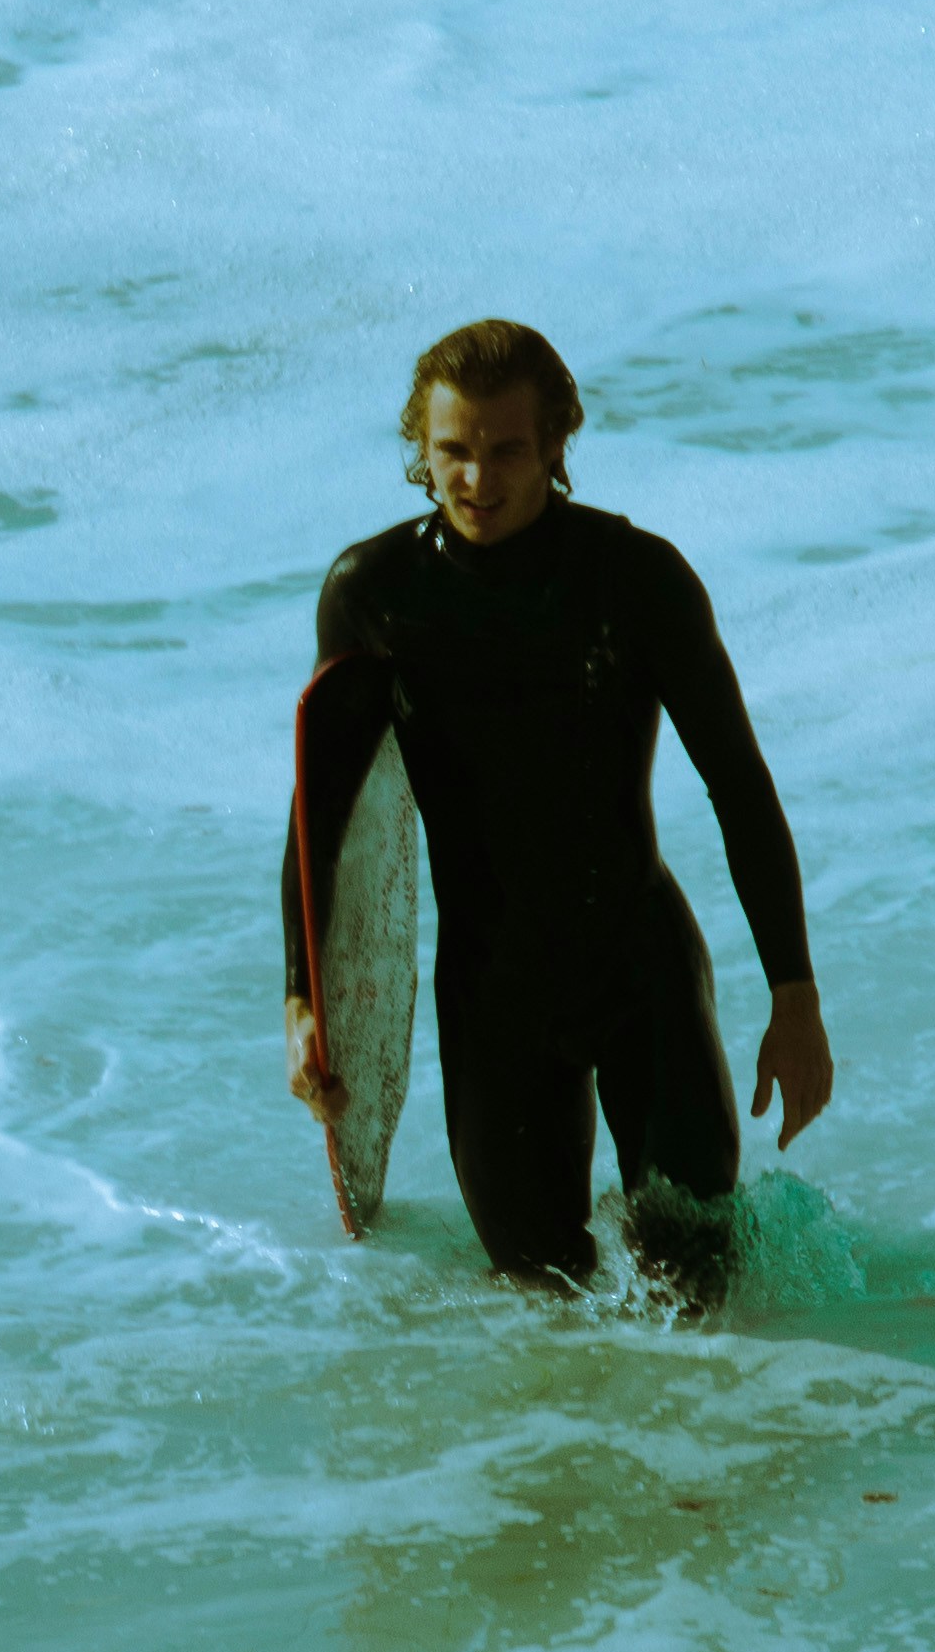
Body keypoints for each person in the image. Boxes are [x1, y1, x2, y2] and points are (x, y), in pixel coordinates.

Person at [279, 316, 830, 1303]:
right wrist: (304, 1003)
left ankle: (731, 1447)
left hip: (639, 972)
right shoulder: (376, 594)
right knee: (539, 1298)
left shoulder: (637, 580)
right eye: (453, 451)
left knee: (695, 1278)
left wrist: (795, 999)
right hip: (493, 1000)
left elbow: (739, 784)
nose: (477, 480)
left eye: (505, 451)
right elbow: (322, 818)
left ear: (557, 444)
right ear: (421, 445)